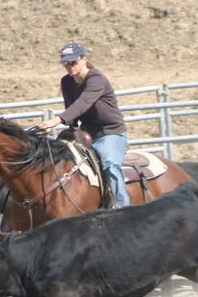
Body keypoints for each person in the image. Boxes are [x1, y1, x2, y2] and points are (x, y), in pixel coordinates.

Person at [38, 42, 130, 209]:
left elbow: (83, 103)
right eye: (65, 63)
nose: (69, 66)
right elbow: (71, 108)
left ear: (84, 60)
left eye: (73, 61)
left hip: (110, 133)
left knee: (110, 164)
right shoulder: (67, 81)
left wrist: (57, 120)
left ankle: (123, 209)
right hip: (86, 135)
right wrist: (70, 132)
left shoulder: (96, 79)